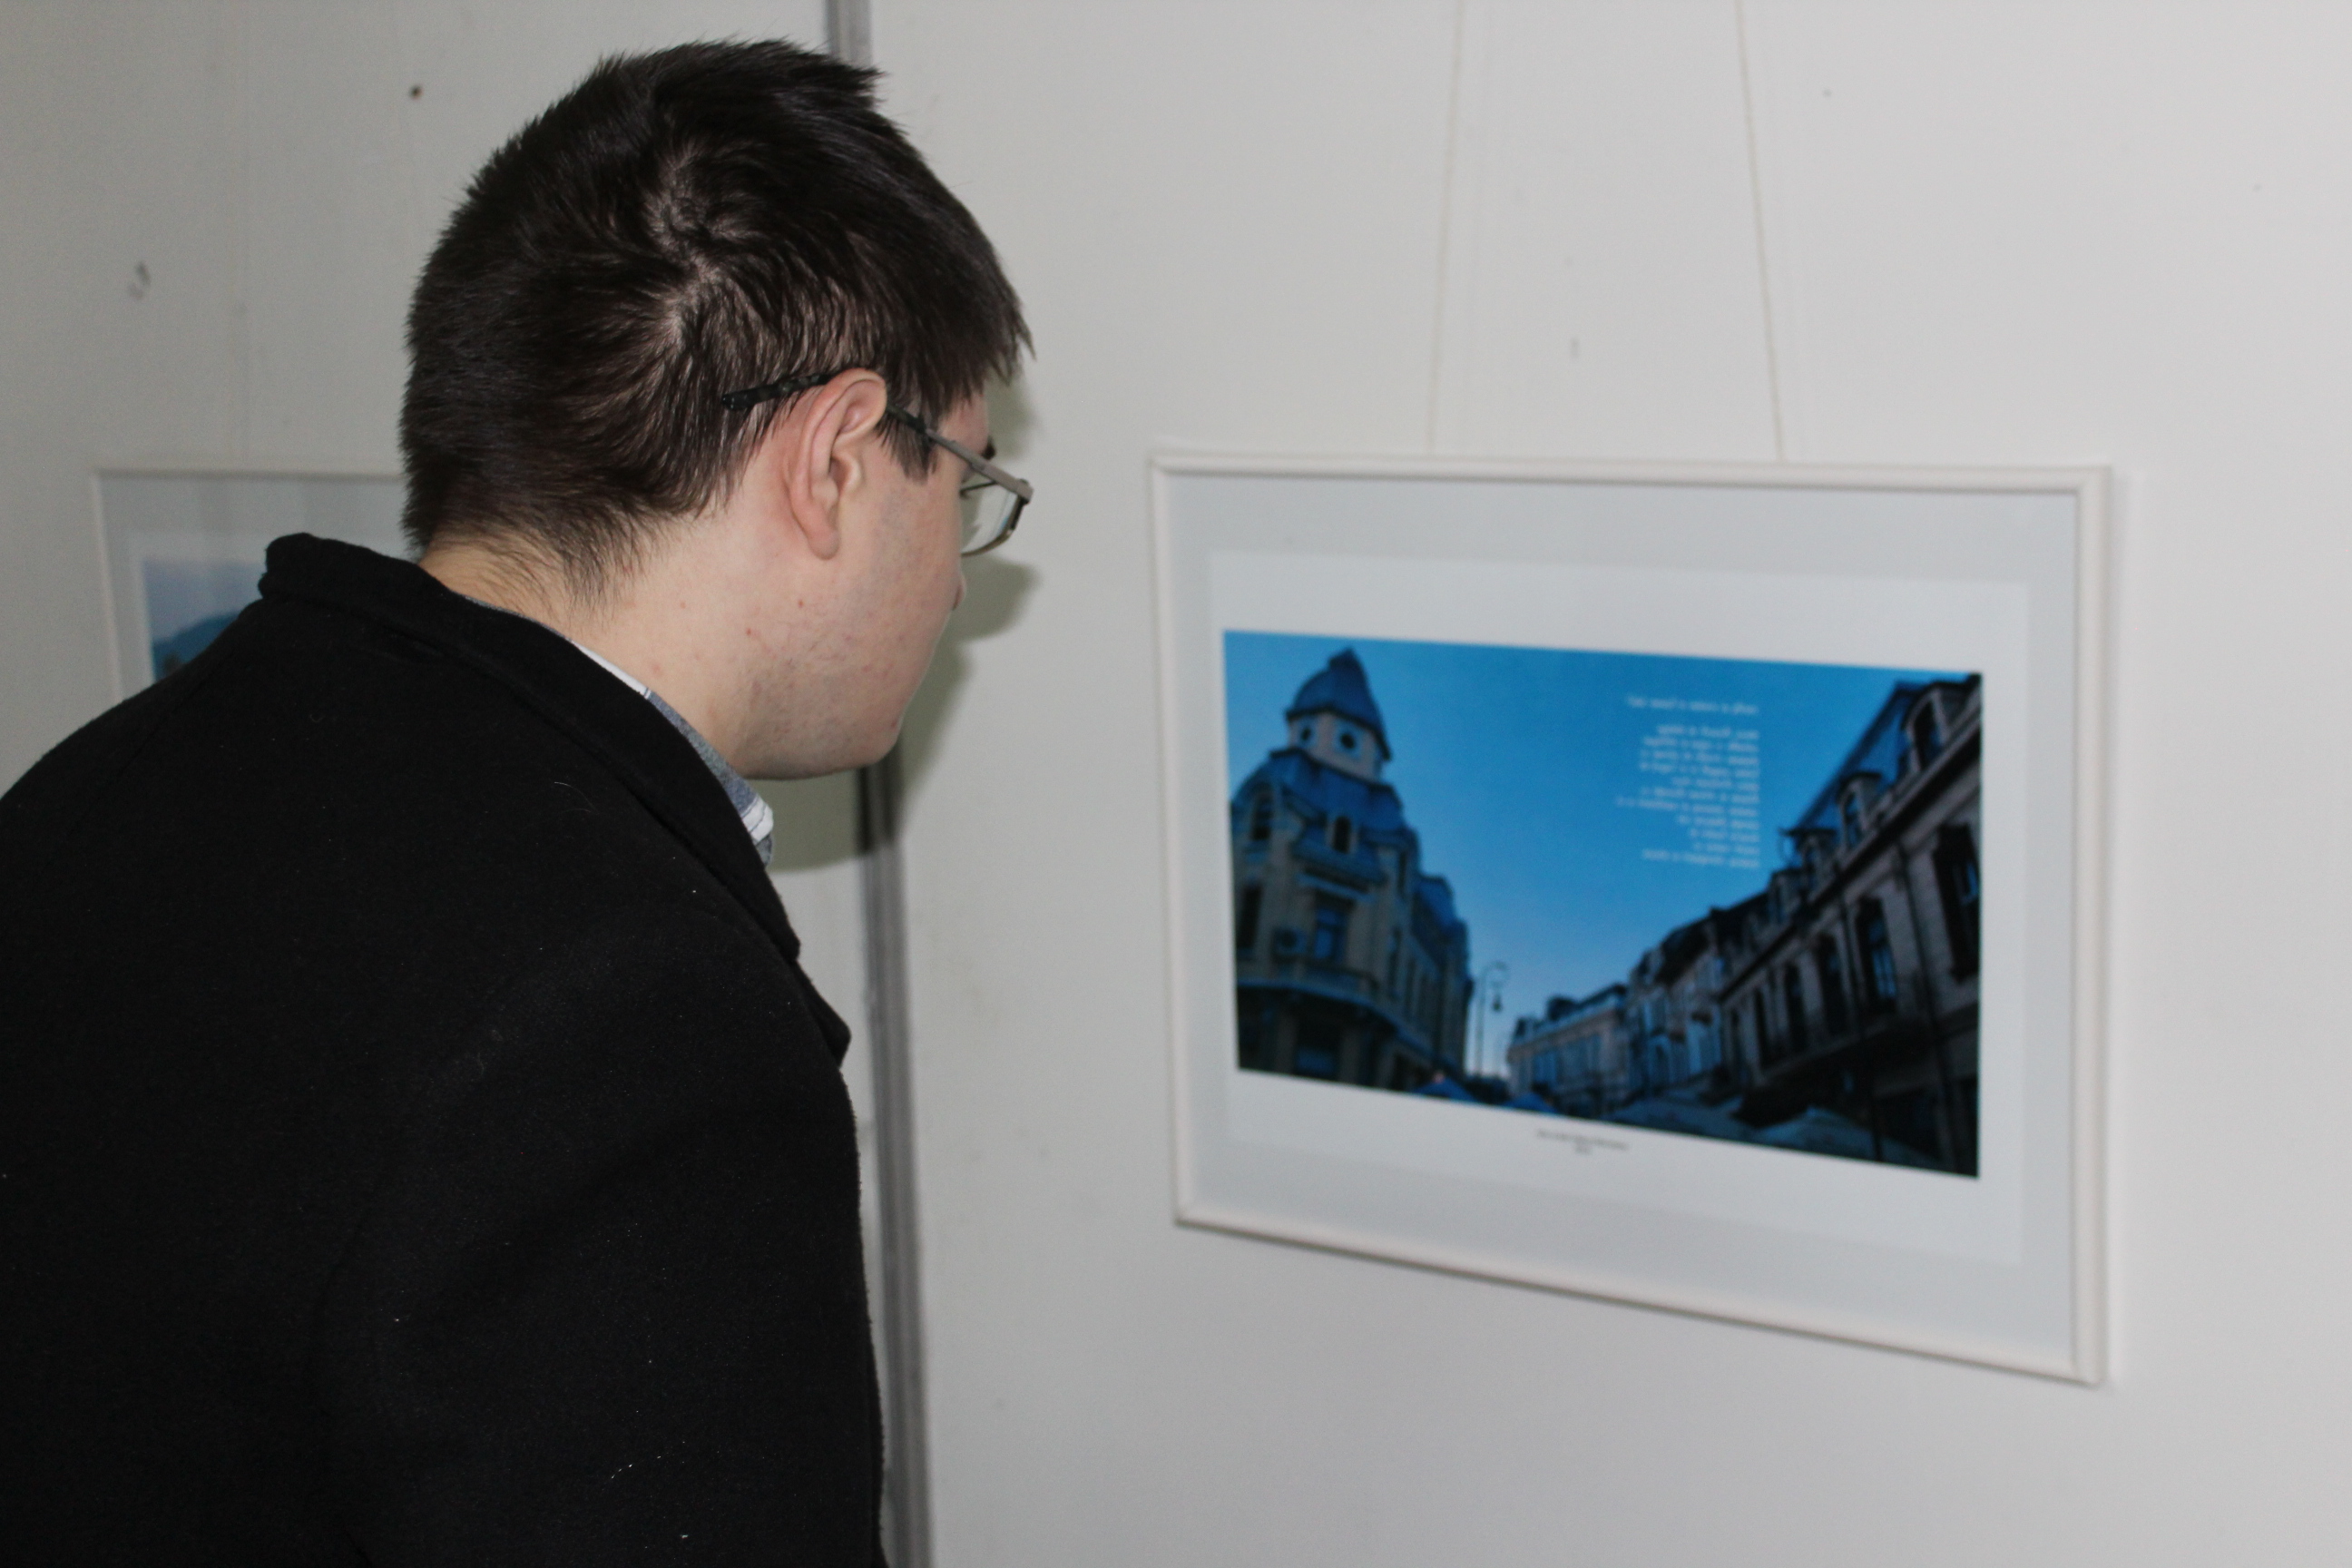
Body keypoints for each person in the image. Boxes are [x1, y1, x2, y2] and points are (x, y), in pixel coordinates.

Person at [0, 39, 1027, 1564]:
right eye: (964, 480)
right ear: (832, 460)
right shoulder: (637, 1030)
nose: (954, 574)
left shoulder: (100, 784)